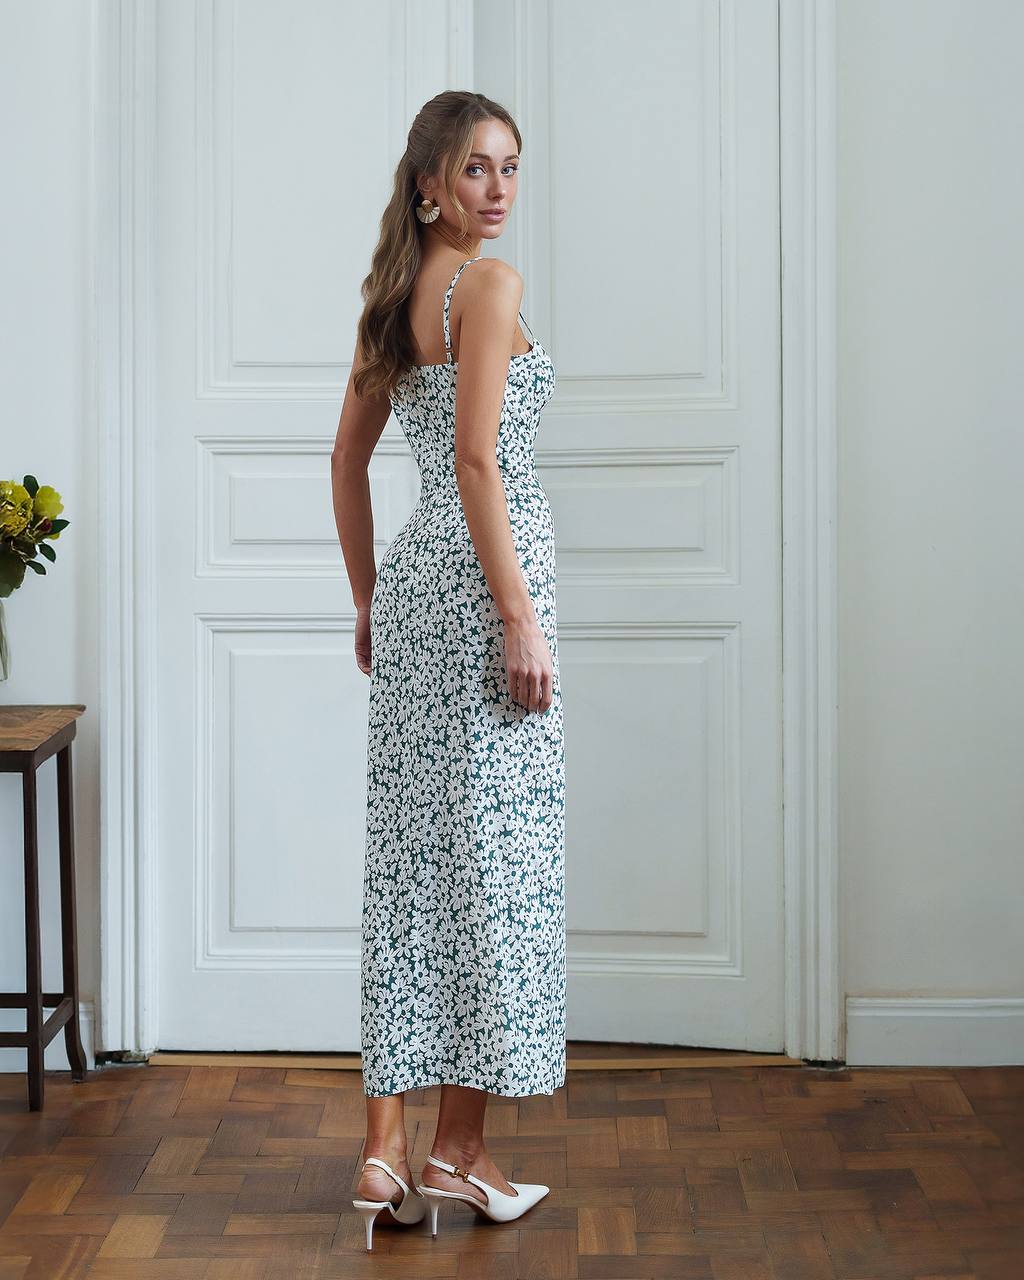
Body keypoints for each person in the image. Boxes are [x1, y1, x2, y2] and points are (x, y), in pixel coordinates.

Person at [332, 90, 565, 1249]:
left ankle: (385, 1148)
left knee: (414, 862)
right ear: (429, 181)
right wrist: (518, 616)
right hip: (479, 597)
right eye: (476, 169)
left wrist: (371, 597)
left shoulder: (391, 298)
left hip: (418, 593)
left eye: (511, 167)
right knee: (493, 869)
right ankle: (458, 1149)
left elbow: (346, 461)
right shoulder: (489, 288)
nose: (499, 189)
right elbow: (477, 458)